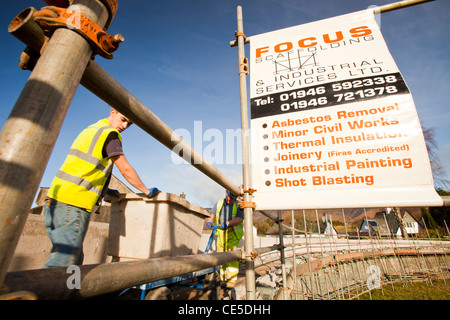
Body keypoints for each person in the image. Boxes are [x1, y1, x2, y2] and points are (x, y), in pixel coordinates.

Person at [43, 109, 160, 268]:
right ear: (113, 111)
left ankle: (71, 292)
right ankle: (35, 293)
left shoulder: (91, 129)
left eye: (129, 124)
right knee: (62, 265)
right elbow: (125, 169)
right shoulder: (110, 134)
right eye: (123, 119)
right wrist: (146, 191)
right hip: (73, 204)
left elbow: (85, 168)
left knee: (74, 260)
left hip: (54, 201)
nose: (124, 126)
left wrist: (103, 192)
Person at [205, 190, 244, 288]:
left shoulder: (239, 205)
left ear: (235, 198)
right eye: (228, 196)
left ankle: (231, 279)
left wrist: (228, 223)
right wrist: (209, 221)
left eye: (232, 198)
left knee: (231, 254)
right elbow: (211, 215)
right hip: (221, 232)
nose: (229, 199)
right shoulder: (219, 203)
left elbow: (240, 219)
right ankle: (223, 278)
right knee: (221, 254)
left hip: (233, 231)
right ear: (226, 194)